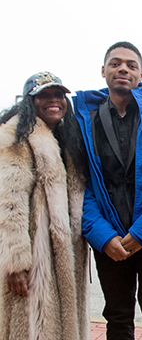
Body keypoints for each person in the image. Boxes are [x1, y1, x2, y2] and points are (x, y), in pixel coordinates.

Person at [73, 41, 142, 339]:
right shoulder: (83, 122)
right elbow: (78, 184)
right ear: (104, 70)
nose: (123, 68)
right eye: (116, 63)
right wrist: (103, 236)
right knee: (117, 319)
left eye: (131, 65)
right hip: (109, 240)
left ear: (141, 73)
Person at [0, 72, 89, 339]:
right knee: (30, 325)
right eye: (44, 95)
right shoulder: (15, 138)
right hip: (34, 253)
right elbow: (9, 203)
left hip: (65, 254)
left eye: (59, 95)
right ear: (30, 101)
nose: (54, 101)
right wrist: (16, 263)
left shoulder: (66, 137)